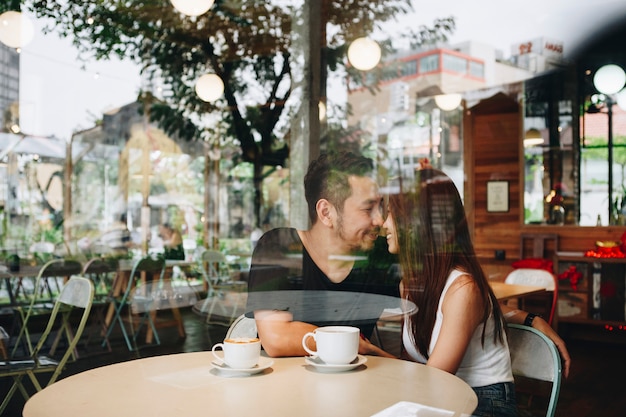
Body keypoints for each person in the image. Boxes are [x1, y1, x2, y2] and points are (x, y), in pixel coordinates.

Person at [382, 168, 571, 417]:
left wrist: (377, 356)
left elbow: (433, 378)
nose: (383, 223)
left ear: (416, 223)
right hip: (440, 397)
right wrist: (529, 318)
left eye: (391, 214)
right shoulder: (412, 285)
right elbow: (417, 371)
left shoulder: (463, 288)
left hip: (484, 403)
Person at [247, 151, 397, 358]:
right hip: (285, 385)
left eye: (380, 207)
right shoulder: (279, 247)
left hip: (356, 386)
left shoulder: (380, 254)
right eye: (368, 208)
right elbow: (277, 338)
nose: (379, 220)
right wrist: (362, 346)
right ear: (326, 213)